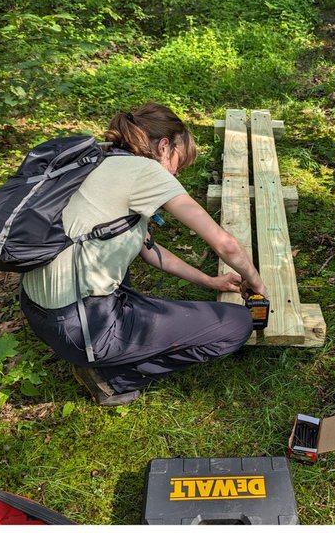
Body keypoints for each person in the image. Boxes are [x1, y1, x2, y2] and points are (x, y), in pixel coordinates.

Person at [19, 103, 268, 406]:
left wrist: (210, 282)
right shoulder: (146, 170)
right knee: (237, 324)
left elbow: (148, 251)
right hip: (83, 328)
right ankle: (112, 378)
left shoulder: (100, 159)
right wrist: (254, 280)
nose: (177, 173)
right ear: (164, 146)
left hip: (40, 311)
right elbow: (225, 245)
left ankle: (105, 343)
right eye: (179, 163)